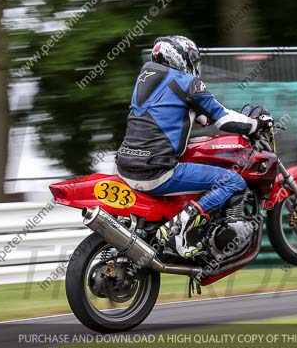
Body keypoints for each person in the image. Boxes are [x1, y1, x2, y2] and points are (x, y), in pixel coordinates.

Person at [115, 36, 273, 259]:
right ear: (179, 58)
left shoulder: (146, 77)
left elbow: (169, 110)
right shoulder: (187, 82)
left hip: (126, 166)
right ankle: (178, 230)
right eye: (192, 60)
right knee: (234, 181)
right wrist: (257, 124)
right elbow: (223, 119)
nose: (194, 66)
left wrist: (200, 114)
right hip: (156, 171)